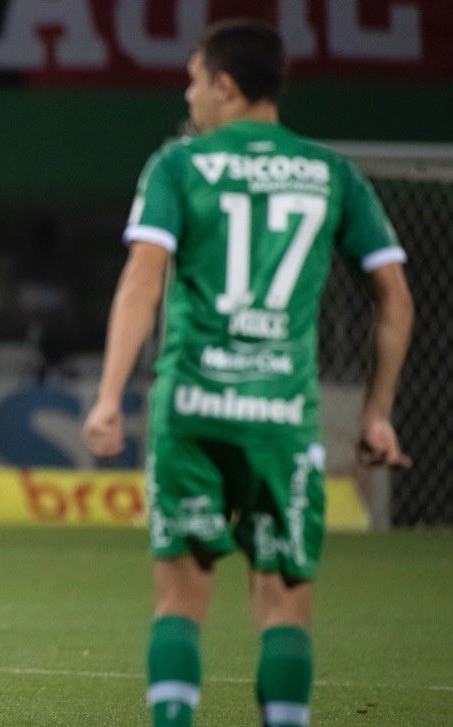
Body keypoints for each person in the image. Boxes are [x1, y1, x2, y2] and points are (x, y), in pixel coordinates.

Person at [81, 19, 413, 727]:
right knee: (285, 602)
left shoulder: (179, 165)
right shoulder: (332, 172)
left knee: (180, 598)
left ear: (225, 85)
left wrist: (110, 397)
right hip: (282, 418)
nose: (189, 93)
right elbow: (395, 298)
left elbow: (142, 280)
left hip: (192, 410)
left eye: (195, 78)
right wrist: (377, 412)